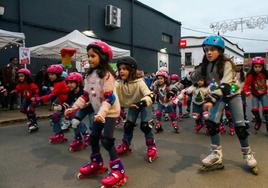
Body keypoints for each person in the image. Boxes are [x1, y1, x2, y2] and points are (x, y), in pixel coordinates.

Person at [190, 35, 258, 174]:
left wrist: (211, 99)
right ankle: (216, 155)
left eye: (213, 49)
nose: (209, 52)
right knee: (212, 123)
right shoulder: (205, 66)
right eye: (206, 49)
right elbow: (189, 79)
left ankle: (248, 154)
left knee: (240, 126)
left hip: (232, 94)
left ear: (220, 51)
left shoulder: (226, 64)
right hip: (218, 95)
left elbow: (226, 86)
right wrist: (175, 88)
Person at [64, 41, 127, 187]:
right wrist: (73, 108)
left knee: (106, 140)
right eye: (88, 56)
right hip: (99, 111)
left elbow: (110, 97)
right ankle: (96, 162)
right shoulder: (89, 75)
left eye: (93, 56)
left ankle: (119, 170)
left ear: (103, 57)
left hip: (110, 111)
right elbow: (85, 95)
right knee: (93, 139)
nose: (90, 59)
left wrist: (102, 113)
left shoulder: (107, 75)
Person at [115, 56, 157, 163]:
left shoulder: (139, 82)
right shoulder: (119, 83)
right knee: (128, 125)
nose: (121, 71)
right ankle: (126, 144)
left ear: (131, 70)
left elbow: (151, 95)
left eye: (124, 69)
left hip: (143, 105)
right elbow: (111, 93)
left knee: (145, 126)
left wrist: (141, 103)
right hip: (132, 106)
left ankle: (151, 146)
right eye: (120, 69)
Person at [31, 64, 70, 144]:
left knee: (74, 121)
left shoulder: (59, 83)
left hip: (68, 103)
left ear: (58, 74)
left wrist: (40, 99)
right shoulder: (57, 82)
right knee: (55, 118)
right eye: (49, 74)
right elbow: (54, 94)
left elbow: (52, 95)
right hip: (61, 102)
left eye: (52, 74)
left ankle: (83, 134)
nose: (50, 76)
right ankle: (59, 134)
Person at [53, 72, 90, 151]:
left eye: (71, 82)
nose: (69, 85)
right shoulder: (71, 92)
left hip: (90, 109)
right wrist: (61, 107)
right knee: (71, 118)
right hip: (80, 108)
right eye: (68, 83)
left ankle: (86, 133)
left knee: (94, 128)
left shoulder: (84, 91)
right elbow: (67, 103)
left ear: (78, 83)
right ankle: (78, 137)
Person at [243, 57, 268, 134]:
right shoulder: (251, 75)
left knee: (266, 110)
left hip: (264, 94)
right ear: (253, 67)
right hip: (255, 94)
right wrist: (247, 93)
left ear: (262, 67)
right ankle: (258, 121)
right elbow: (246, 85)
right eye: (255, 67)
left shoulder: (265, 73)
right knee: (255, 110)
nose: (257, 68)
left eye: (259, 67)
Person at [12, 68, 39, 132]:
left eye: (22, 76)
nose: (20, 78)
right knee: (24, 109)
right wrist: (15, 91)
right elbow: (18, 89)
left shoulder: (31, 84)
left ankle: (34, 124)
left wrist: (35, 97)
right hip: (26, 99)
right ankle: (30, 120)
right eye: (19, 76)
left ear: (26, 76)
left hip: (32, 99)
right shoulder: (21, 84)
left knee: (30, 110)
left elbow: (36, 90)